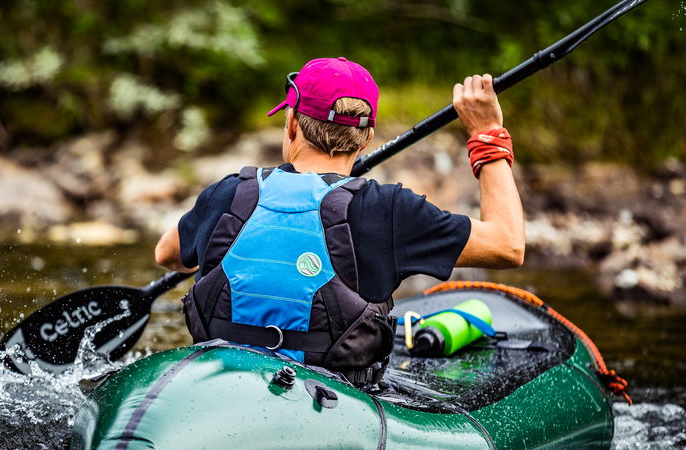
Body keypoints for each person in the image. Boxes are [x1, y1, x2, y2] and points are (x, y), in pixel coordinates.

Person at [155, 57, 524, 385]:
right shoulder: (390, 209)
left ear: (292, 125)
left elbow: (167, 254)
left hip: (216, 387)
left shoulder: (227, 193)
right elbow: (508, 244)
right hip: (332, 404)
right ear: (365, 140)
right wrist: (485, 135)